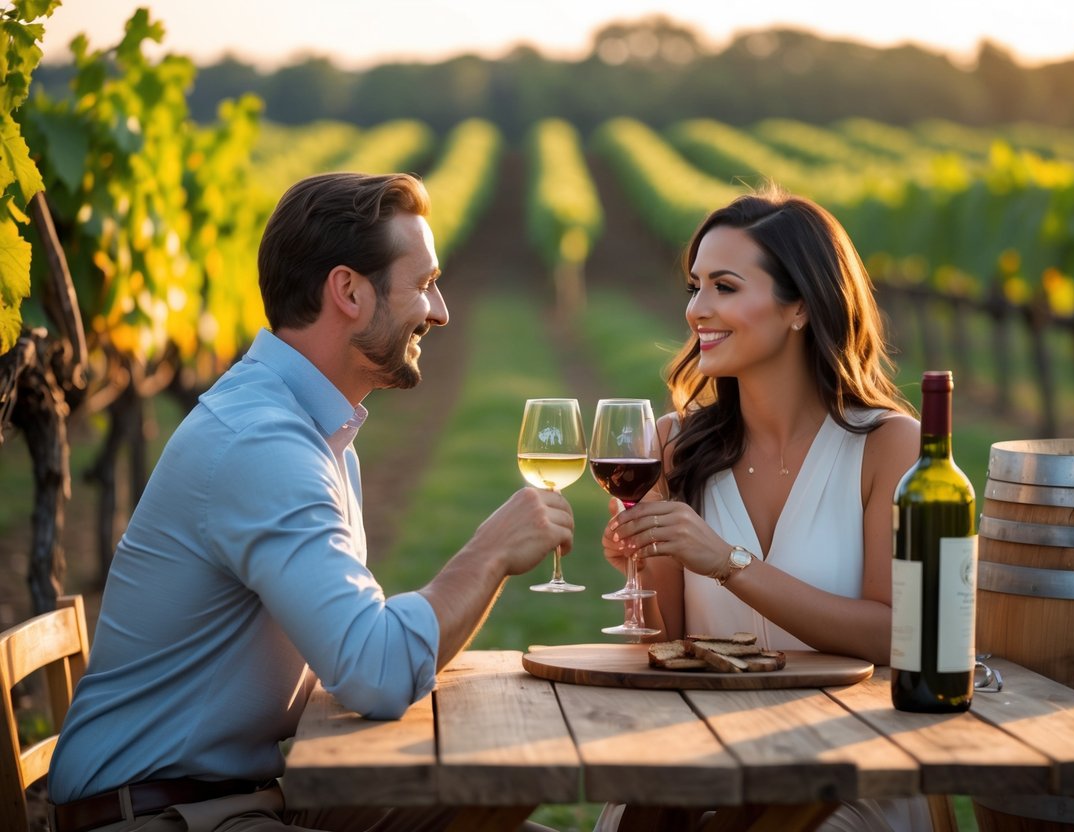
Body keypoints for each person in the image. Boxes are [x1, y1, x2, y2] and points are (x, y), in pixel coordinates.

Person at [47, 172, 574, 832]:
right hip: (164, 815)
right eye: (423, 284)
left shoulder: (308, 429)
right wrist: (490, 551)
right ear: (348, 291)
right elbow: (376, 670)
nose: (439, 311)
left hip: (227, 798)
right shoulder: (263, 444)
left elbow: (356, 656)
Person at [598, 188, 931, 832]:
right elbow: (664, 648)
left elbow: (900, 637)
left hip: (846, 768)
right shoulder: (673, 444)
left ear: (801, 305)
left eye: (724, 287)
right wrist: (635, 570)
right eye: (695, 287)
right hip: (703, 760)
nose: (698, 310)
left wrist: (727, 563)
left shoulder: (888, 445)